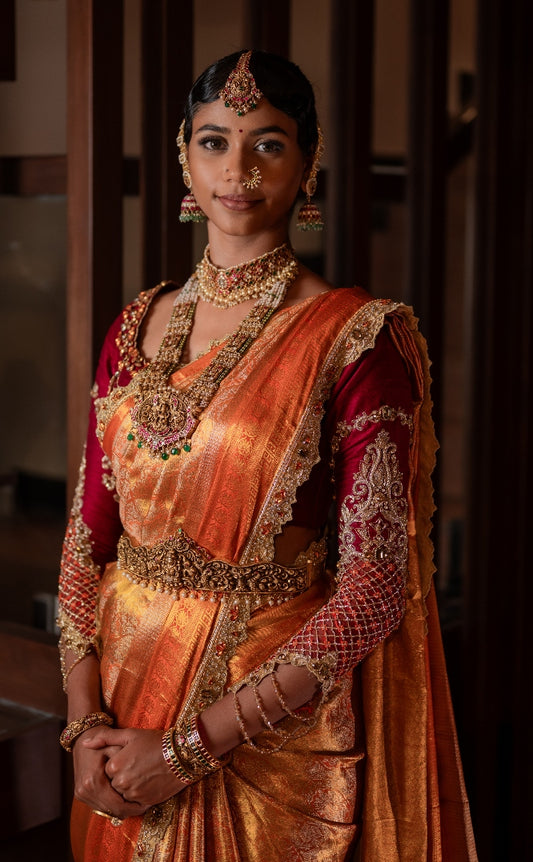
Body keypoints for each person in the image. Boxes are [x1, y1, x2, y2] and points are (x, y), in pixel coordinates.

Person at [58, 50, 477, 862]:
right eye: (214, 141)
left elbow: (372, 591)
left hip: (264, 733)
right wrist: (83, 725)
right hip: (118, 716)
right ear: (184, 153)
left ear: (307, 162)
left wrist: (186, 749)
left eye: (269, 144)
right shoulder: (132, 327)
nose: (237, 169)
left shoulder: (356, 338)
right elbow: (86, 542)